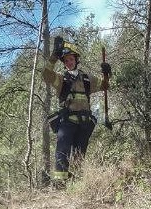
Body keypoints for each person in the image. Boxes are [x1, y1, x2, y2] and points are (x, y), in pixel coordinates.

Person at [42, 36, 111, 183]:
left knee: (80, 153)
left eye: (71, 59)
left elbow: (105, 86)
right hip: (67, 123)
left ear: (76, 60)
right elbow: (46, 75)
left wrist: (106, 73)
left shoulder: (87, 79)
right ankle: (60, 183)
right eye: (66, 61)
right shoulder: (61, 79)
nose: (68, 63)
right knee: (62, 151)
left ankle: (77, 183)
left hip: (85, 124)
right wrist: (54, 56)